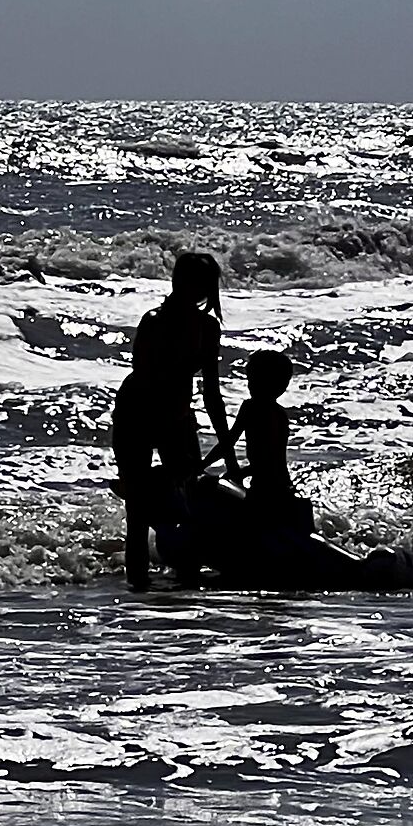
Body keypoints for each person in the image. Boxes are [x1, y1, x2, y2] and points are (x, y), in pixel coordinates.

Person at [112, 250, 237, 589]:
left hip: (178, 418)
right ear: (176, 281)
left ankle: (186, 591)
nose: (196, 289)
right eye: (190, 281)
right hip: (136, 416)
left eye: (204, 284)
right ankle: (137, 588)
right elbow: (147, 377)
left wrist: (230, 455)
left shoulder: (208, 328)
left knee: (192, 504)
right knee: (138, 511)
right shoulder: (153, 321)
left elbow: (212, 392)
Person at [203, 349, 314, 536]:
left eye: (253, 380)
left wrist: (207, 465)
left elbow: (231, 442)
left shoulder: (251, 408)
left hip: (266, 490)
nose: (250, 386)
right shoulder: (280, 414)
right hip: (281, 485)